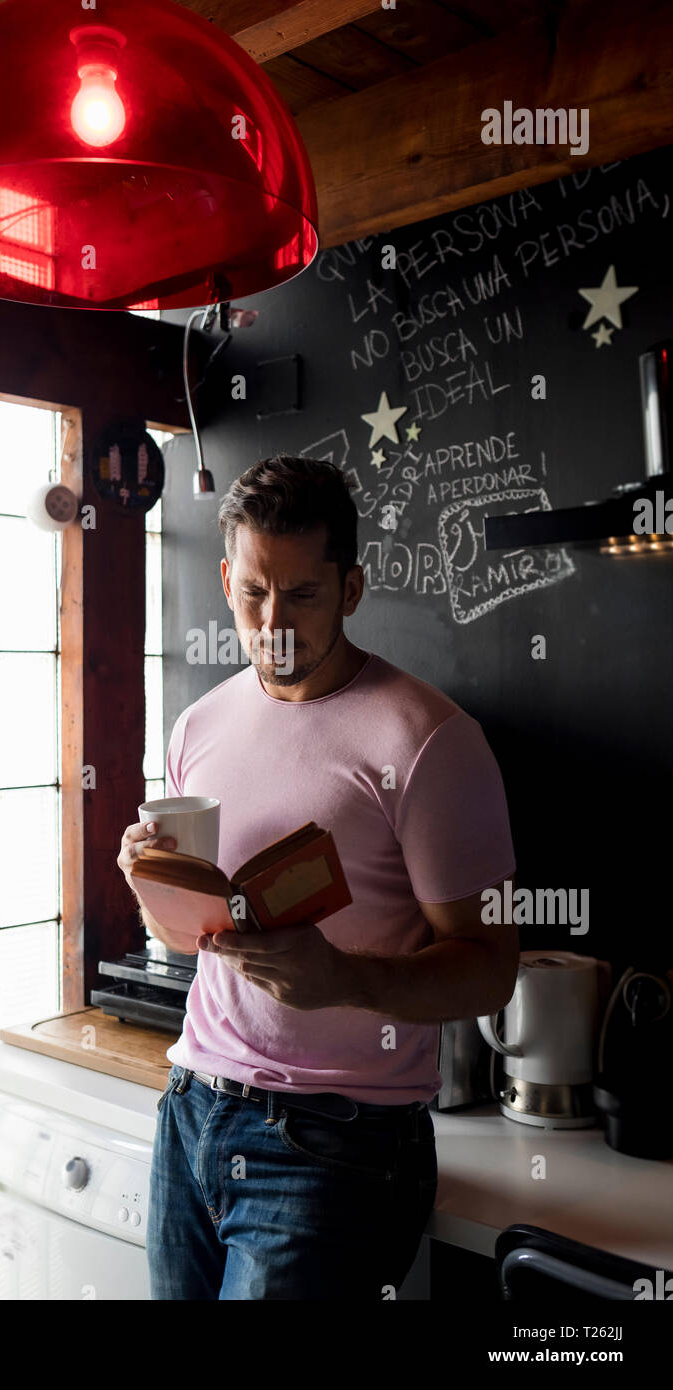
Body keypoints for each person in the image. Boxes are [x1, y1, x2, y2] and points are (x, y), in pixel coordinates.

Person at [117, 454, 518, 1300]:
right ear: (227, 578)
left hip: (336, 1148)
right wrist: (151, 881)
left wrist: (340, 979)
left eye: (303, 595)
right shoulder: (200, 723)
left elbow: (489, 968)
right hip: (191, 1107)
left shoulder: (429, 741)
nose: (276, 624)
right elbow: (187, 940)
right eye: (256, 593)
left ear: (352, 588)